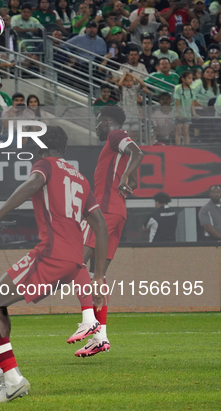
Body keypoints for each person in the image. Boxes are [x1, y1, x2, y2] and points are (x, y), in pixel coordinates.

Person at [0, 126, 109, 403]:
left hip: (50, 254)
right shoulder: (81, 178)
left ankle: (13, 379)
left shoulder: (44, 164)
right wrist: (98, 276)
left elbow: (32, 183)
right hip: (73, 258)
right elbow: (100, 226)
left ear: (42, 146)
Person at [78, 106, 144, 357]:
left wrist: (124, 177)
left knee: (74, 262)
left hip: (104, 210)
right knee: (97, 274)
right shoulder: (120, 151)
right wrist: (126, 181)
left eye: (97, 123)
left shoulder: (115, 136)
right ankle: (101, 337)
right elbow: (134, 182)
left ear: (107, 123)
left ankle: (88, 320)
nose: (96, 127)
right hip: (118, 211)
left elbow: (139, 152)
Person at [174, 70, 197, 145]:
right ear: (183, 79)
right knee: (179, 132)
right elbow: (177, 102)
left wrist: (194, 113)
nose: (191, 80)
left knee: (186, 131)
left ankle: (187, 148)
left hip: (187, 115)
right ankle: (178, 148)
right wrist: (177, 113)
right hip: (179, 114)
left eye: (192, 78)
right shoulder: (178, 88)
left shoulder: (192, 90)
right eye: (189, 78)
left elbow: (192, 103)